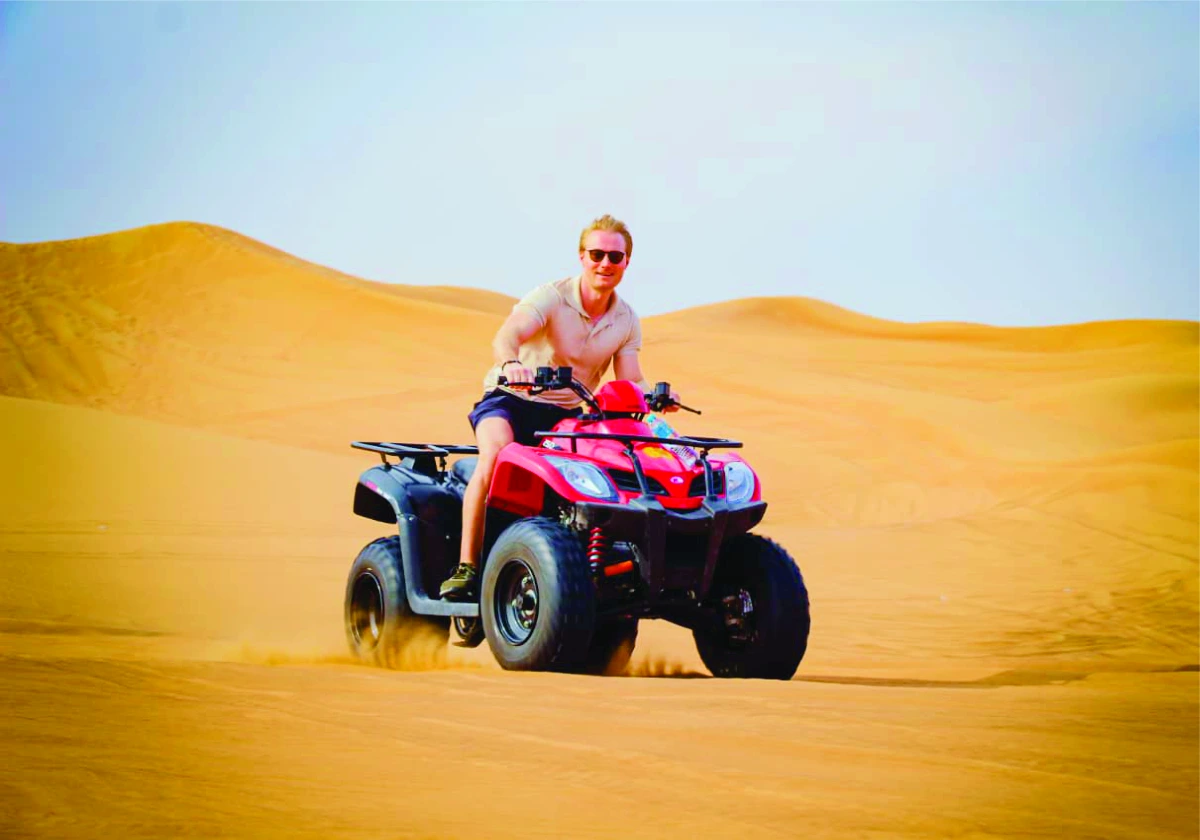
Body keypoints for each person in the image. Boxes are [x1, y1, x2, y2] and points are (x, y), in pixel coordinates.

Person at [440, 214, 678, 600]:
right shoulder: (551, 296)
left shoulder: (627, 320)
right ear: (582, 257)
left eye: (614, 257)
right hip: (511, 401)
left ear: (626, 263)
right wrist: (510, 364)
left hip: (568, 417)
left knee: (601, 476)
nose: (605, 264)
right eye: (597, 254)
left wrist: (656, 398)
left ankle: (585, 572)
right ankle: (467, 566)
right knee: (498, 453)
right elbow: (507, 336)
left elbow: (630, 379)